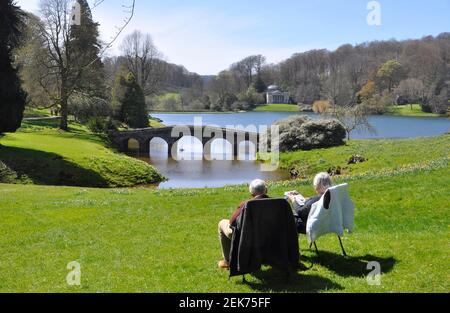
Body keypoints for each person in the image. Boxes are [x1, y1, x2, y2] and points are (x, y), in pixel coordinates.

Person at [217, 179, 269, 269]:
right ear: (266, 190)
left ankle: (228, 261)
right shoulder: (277, 203)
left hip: (246, 238)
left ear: (252, 194)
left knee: (222, 223)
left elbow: (232, 222)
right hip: (267, 236)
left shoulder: (246, 204)